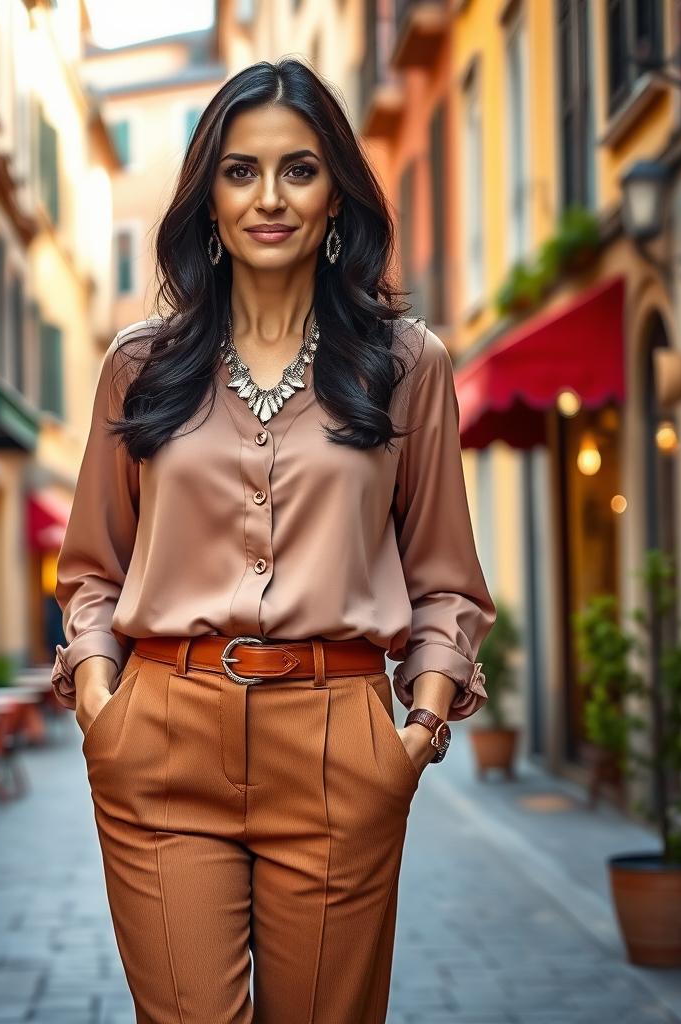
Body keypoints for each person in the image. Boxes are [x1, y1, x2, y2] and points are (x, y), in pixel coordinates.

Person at [50, 58, 496, 1024]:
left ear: (336, 193)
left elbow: (446, 581)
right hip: (160, 738)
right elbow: (92, 567)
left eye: (299, 170)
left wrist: (413, 734)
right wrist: (100, 701)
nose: (269, 198)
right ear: (207, 196)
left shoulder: (406, 364)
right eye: (240, 171)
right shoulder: (140, 367)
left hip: (340, 740)